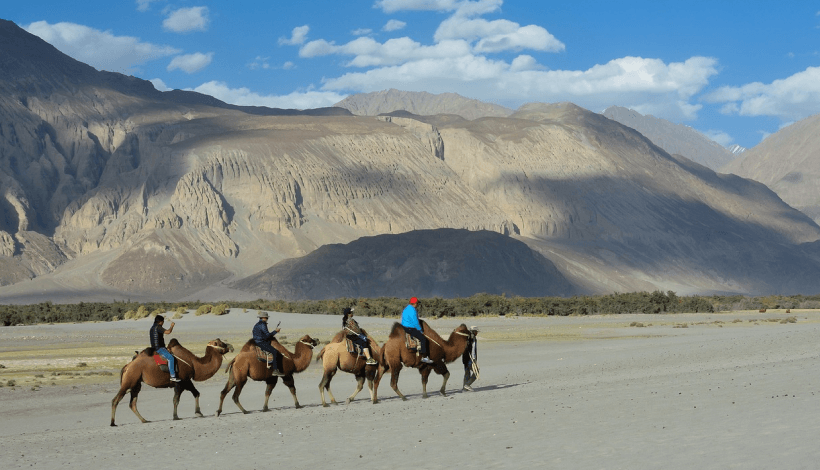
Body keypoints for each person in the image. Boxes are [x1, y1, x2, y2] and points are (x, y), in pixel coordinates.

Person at [401, 297, 434, 364]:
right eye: (417, 303)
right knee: (423, 339)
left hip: (404, 326)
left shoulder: (406, 308)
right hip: (410, 328)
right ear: (415, 303)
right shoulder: (413, 310)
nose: (418, 305)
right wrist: (420, 330)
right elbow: (415, 322)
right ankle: (424, 357)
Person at [253, 311, 284, 376]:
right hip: (261, 342)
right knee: (275, 352)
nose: (267, 319)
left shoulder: (257, 324)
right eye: (266, 318)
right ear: (263, 317)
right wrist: (275, 331)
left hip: (257, 341)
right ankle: (275, 370)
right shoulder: (263, 324)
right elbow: (267, 335)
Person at [150, 315, 180, 382]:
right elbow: (168, 332)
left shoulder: (152, 328)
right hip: (159, 348)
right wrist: (172, 326)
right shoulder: (158, 327)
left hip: (154, 347)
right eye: (163, 321)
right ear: (160, 322)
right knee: (171, 358)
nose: (163, 323)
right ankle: (173, 376)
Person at [462, 326, 480, 391]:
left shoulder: (466, 337)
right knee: (476, 371)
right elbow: (473, 349)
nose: (477, 333)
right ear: (474, 332)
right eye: (476, 332)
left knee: (467, 372)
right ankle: (467, 384)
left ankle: (464, 388)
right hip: (470, 358)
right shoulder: (472, 338)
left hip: (464, 358)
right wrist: (474, 359)